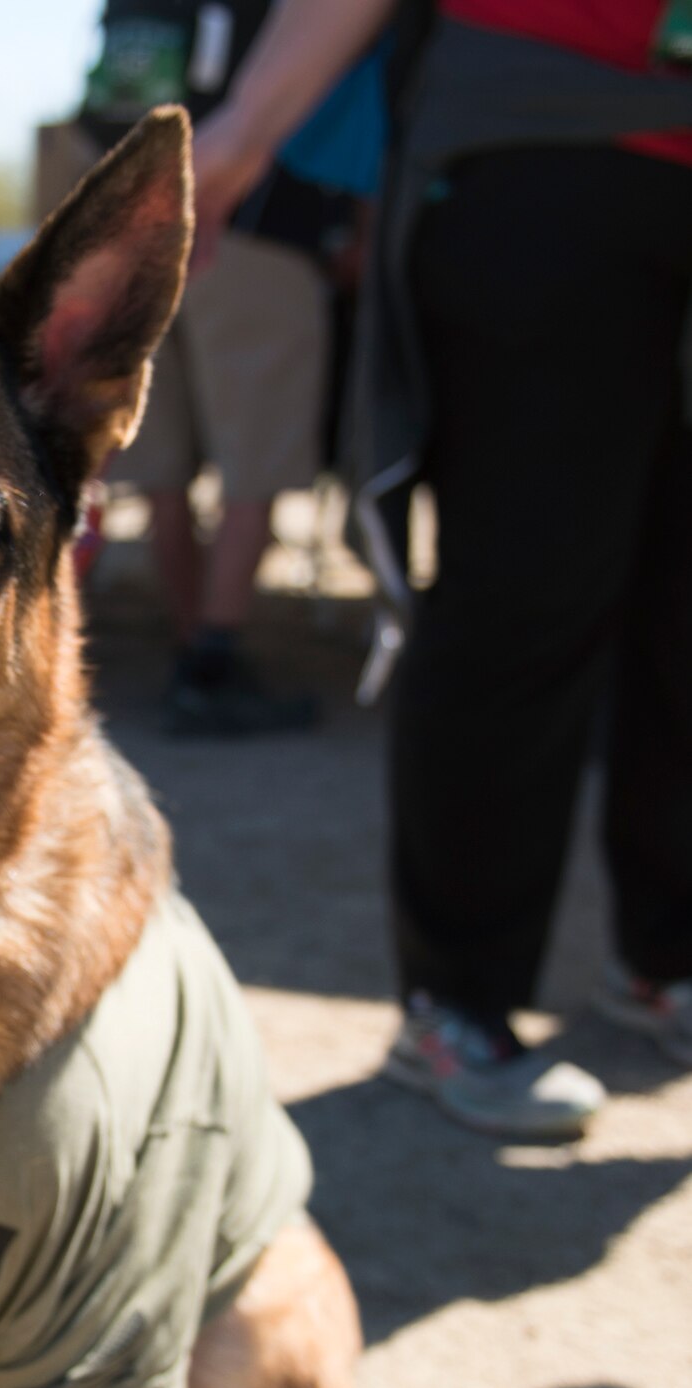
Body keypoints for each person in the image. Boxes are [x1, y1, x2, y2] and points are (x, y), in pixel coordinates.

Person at [192, 0, 692, 1137]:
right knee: (525, 585)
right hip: (536, 144)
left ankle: (667, 954)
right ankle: (455, 1000)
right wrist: (240, 135)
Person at [43, 0, 383, 735]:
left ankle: (189, 644)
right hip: (256, 232)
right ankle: (213, 662)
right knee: (254, 462)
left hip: (138, 237)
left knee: (159, 462)